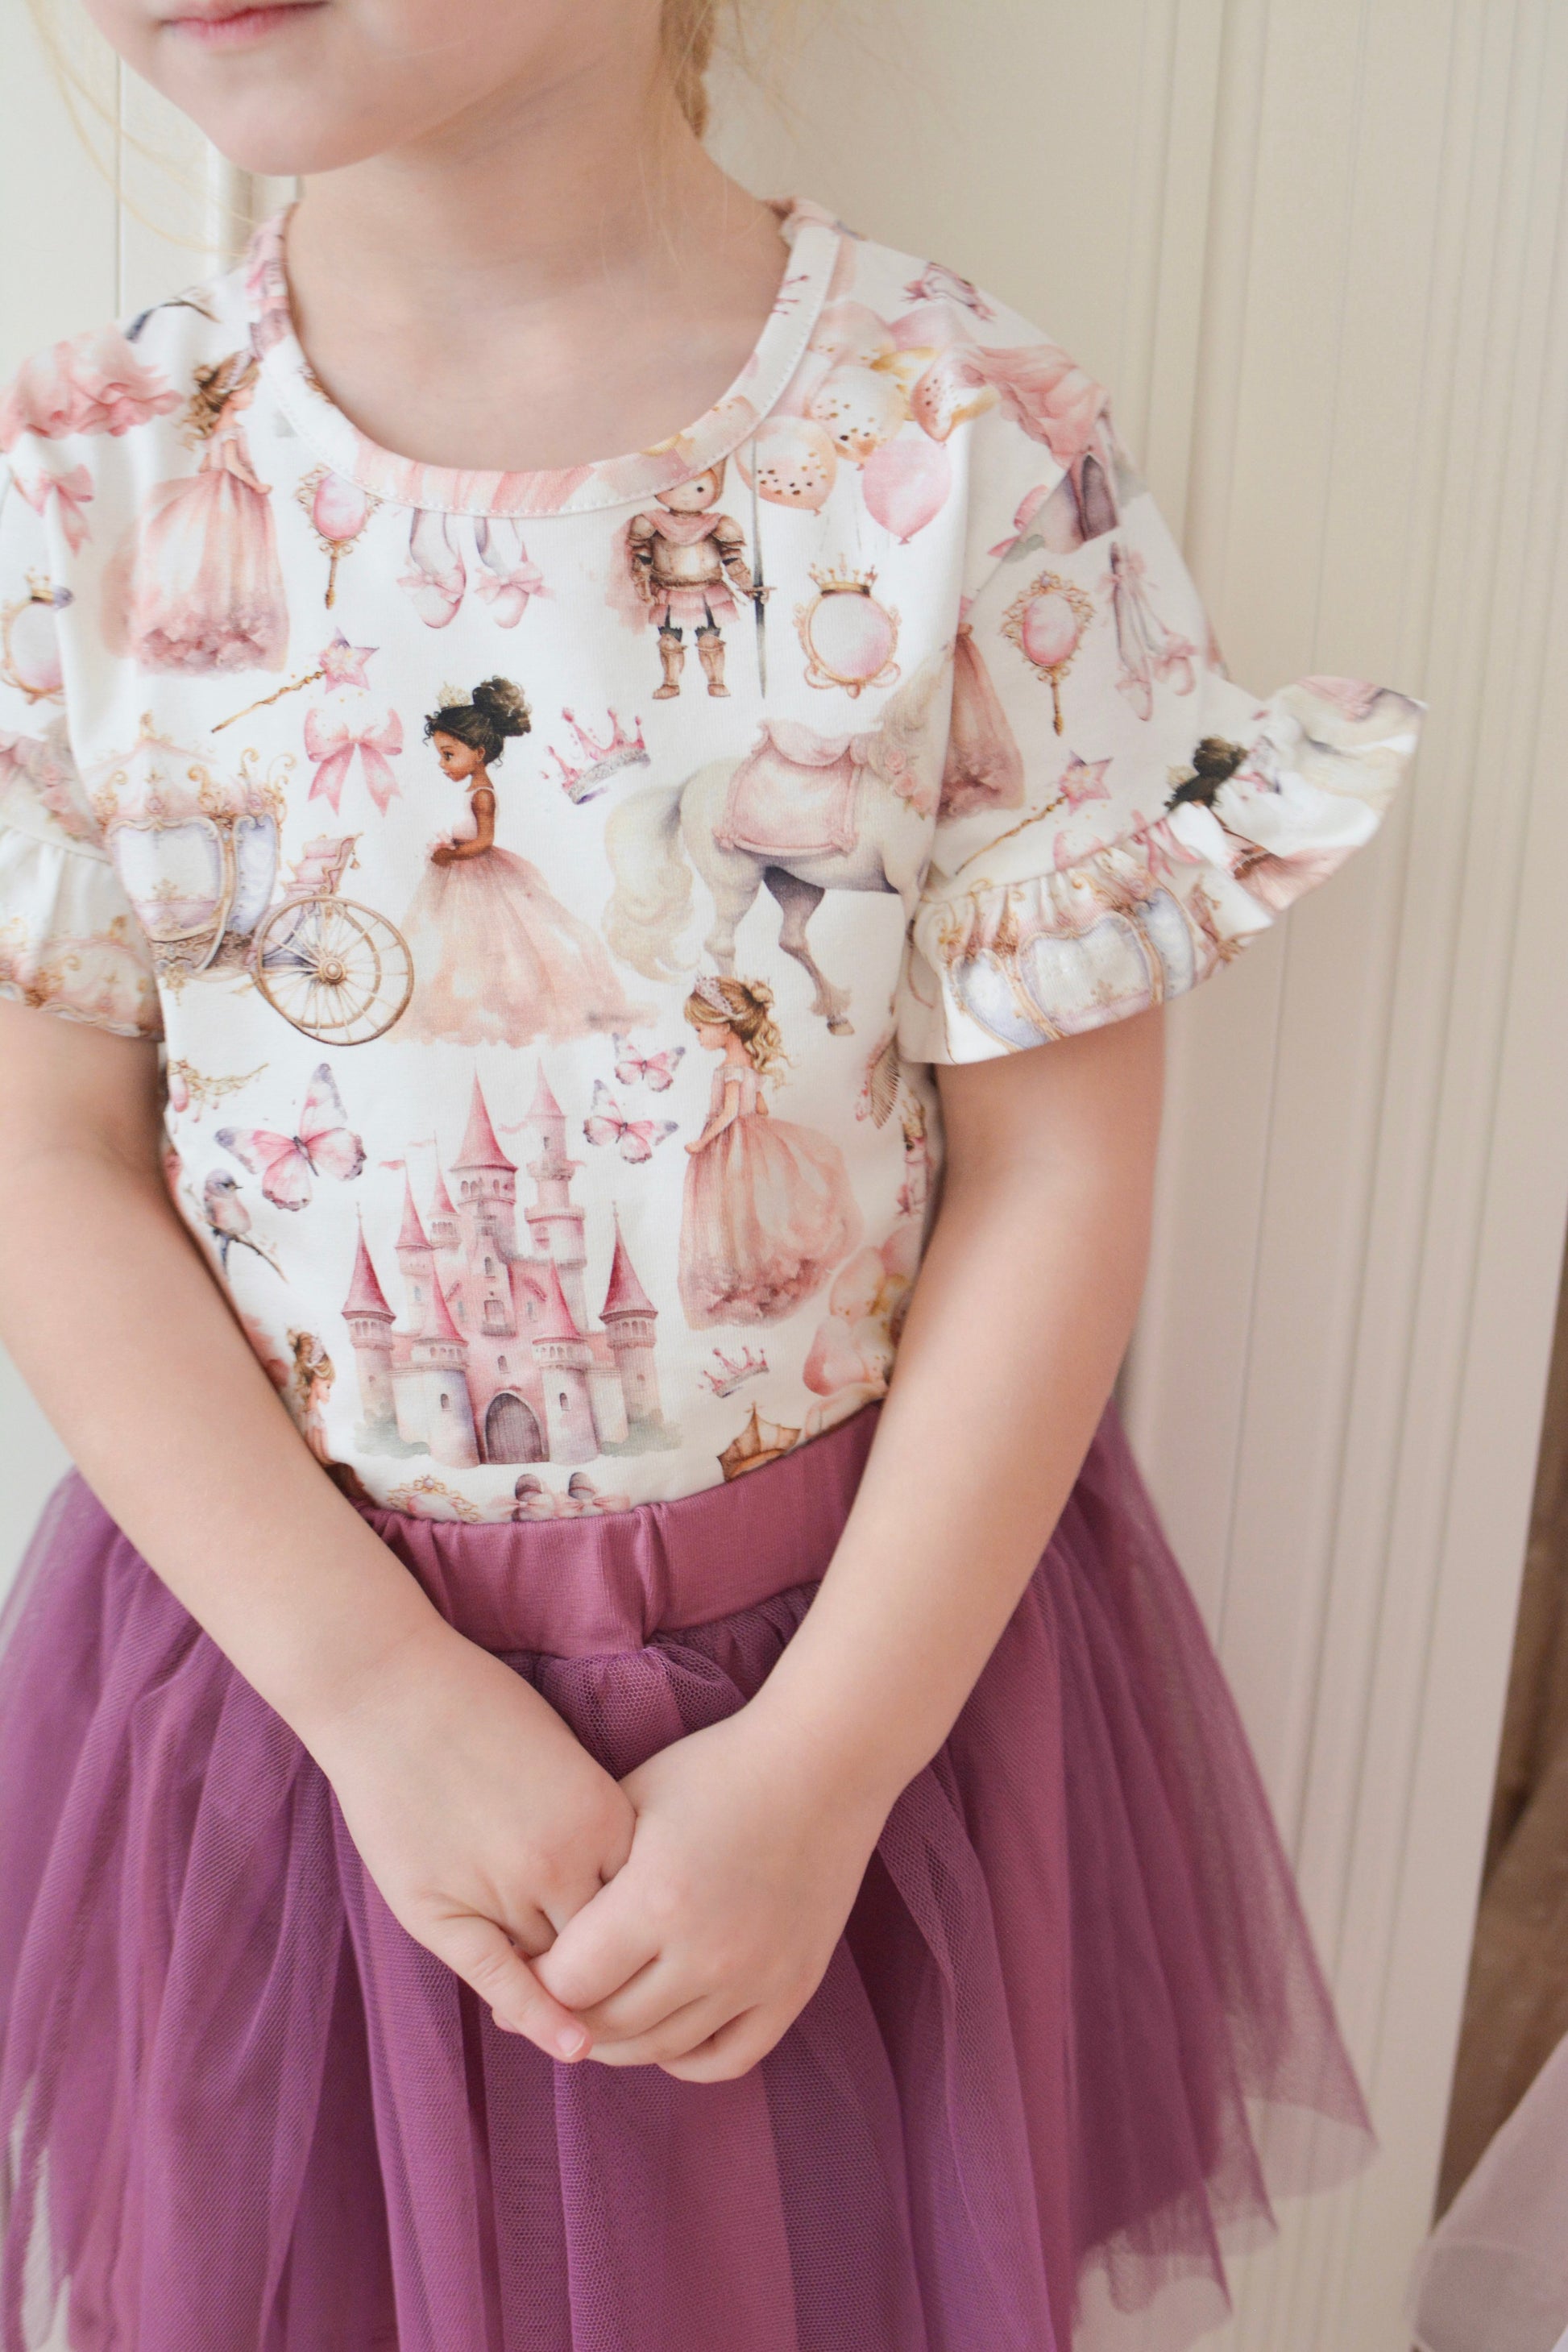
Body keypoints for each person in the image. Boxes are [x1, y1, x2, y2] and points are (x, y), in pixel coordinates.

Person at [0, 3, 1424, 2348]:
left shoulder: (955, 439)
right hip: (284, 1695)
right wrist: (370, 1695)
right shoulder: (94, 484)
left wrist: (830, 1763)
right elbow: (49, 1161)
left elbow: (1054, 1175)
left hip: (841, 1670)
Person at [399, 674, 648, 1043]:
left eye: (449, 754)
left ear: (478, 753)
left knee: (491, 939)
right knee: (460, 942)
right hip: (464, 875)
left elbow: (484, 842)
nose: (442, 763)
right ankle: (465, 1004)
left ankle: (500, 1006)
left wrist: (452, 854)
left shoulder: (482, 795)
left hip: (477, 875)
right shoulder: (474, 791)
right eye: (440, 755)